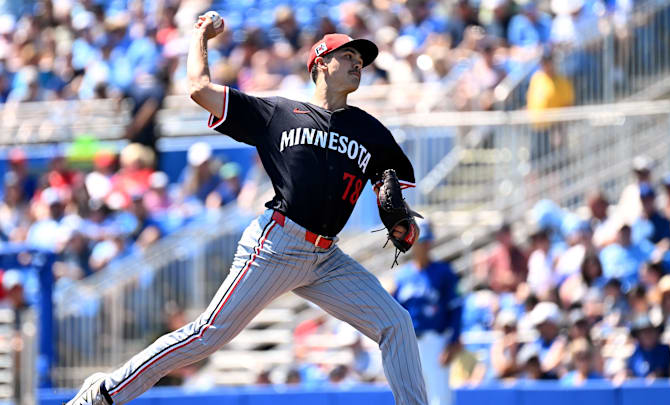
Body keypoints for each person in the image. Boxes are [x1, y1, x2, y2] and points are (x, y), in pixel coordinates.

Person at [66, 15, 427, 405]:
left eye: (362, 59)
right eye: (349, 55)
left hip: (326, 257)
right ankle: (104, 394)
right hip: (277, 245)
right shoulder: (279, 114)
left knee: (396, 323)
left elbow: (389, 189)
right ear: (320, 63)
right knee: (207, 335)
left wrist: (404, 222)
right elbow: (198, 88)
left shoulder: (371, 132)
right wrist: (200, 36)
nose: (359, 63)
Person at [392, 221, 463, 405]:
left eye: (427, 241)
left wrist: (453, 340)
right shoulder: (402, 276)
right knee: (412, 396)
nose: (424, 246)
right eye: (420, 241)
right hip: (410, 343)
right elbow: (395, 312)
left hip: (436, 341)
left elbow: (456, 309)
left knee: (440, 397)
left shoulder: (444, 272)